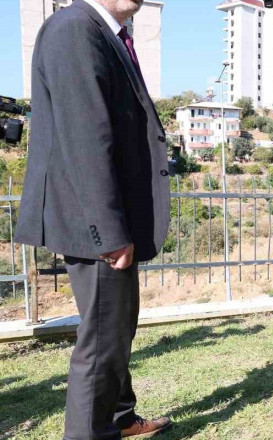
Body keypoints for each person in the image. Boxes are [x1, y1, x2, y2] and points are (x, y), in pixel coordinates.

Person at [14, 0, 172, 438]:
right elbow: (85, 137)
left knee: (115, 325)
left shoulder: (103, 32)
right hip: (95, 221)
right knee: (103, 339)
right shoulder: (75, 29)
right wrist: (108, 230)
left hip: (104, 215)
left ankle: (120, 417)